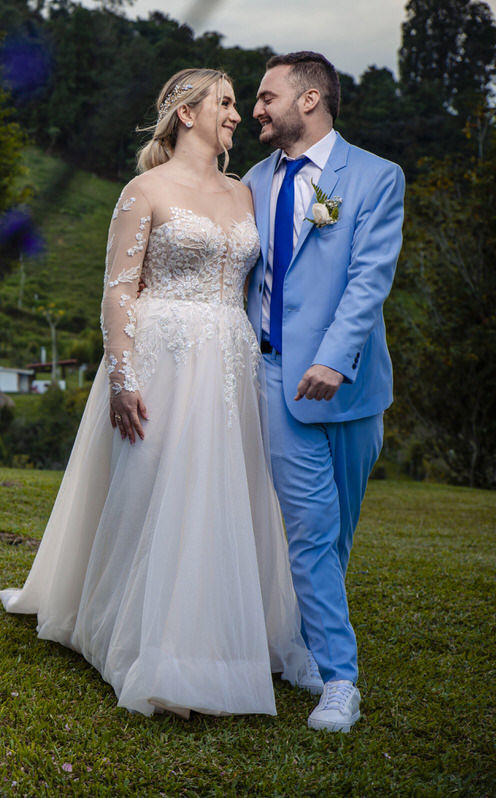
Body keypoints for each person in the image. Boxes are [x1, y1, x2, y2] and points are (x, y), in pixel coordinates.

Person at [0, 68, 312, 718]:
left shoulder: (246, 194)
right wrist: (123, 375)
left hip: (231, 363)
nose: (235, 114)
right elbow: (118, 289)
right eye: (225, 103)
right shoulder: (144, 191)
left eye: (235, 104)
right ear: (185, 113)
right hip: (163, 356)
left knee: (222, 496)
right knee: (155, 492)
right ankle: (150, 645)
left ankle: (225, 638)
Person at [243, 51, 404, 733]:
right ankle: (341, 681)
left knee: (335, 537)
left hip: (354, 388)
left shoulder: (375, 177)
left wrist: (336, 360)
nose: (255, 109)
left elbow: (369, 279)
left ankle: (308, 643)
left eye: (265, 96)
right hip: (278, 379)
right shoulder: (251, 181)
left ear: (309, 100)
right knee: (311, 534)